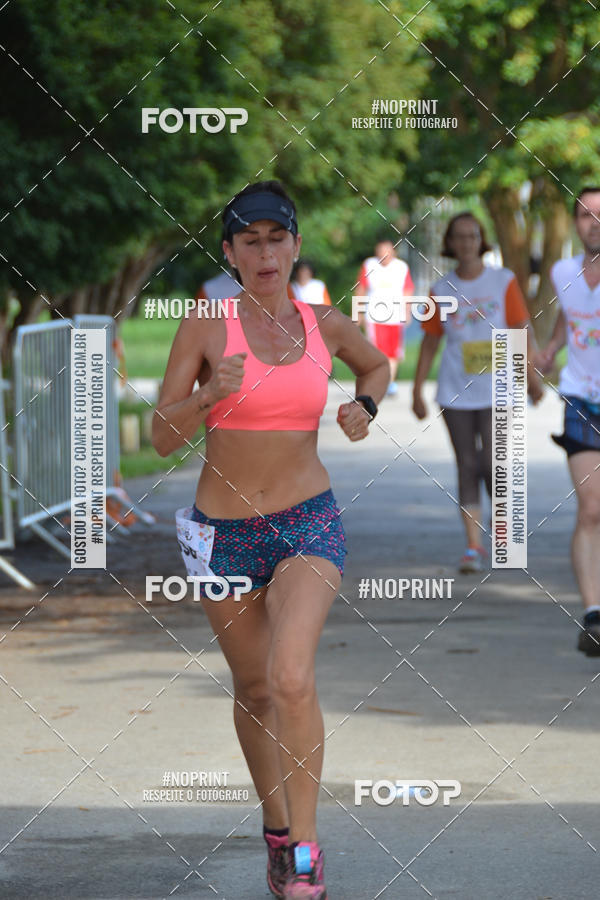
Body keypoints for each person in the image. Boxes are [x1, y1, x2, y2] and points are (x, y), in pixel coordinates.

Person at [152, 180, 389, 899]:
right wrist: (206, 395)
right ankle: (278, 831)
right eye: (248, 240)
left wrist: (365, 406)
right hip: (220, 534)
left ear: (295, 247)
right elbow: (161, 437)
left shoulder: (325, 323)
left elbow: (374, 364)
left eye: (276, 237)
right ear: (228, 251)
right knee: (255, 690)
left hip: (307, 521)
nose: (264, 252)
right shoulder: (204, 323)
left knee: (290, 676)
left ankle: (309, 852)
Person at [412, 211, 543, 573]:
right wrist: (417, 390)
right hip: (455, 391)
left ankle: (504, 537)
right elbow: (429, 341)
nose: (467, 242)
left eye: (473, 236)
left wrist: (529, 375)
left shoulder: (503, 281)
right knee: (467, 464)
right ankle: (473, 546)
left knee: (492, 463)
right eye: (460, 236)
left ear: (481, 240)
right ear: (450, 243)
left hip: (498, 388)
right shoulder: (440, 290)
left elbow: (520, 328)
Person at [536, 186, 600, 656]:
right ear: (574, 223)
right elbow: (567, 318)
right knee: (591, 507)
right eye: (585, 215)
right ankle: (594, 615)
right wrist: (552, 350)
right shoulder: (562, 271)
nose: (593, 222)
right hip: (580, 399)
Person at [355, 238, 414, 396]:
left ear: (393, 252)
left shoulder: (401, 267)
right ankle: (376, 381)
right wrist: (358, 312)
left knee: (393, 353)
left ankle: (389, 382)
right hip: (374, 317)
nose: (384, 255)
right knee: (377, 351)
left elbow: (407, 291)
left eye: (387, 252)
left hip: (395, 316)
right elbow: (361, 289)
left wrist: (407, 312)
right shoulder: (369, 265)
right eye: (381, 252)